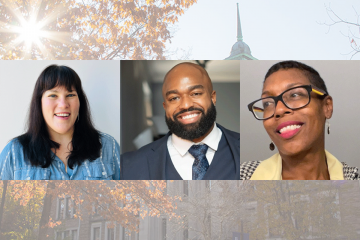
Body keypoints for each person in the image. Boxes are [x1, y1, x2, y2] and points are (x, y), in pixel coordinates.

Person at [241, 60, 359, 180]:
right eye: (267, 103)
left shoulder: (353, 179)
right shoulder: (243, 176)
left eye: (295, 95)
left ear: (327, 107)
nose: (279, 110)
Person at [121, 62, 240, 180]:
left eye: (196, 93)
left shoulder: (247, 150)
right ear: (165, 106)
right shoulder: (128, 166)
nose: (186, 105)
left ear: (212, 97)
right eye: (174, 98)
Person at [0, 65, 120, 180]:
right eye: (53, 95)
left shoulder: (109, 146)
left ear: (80, 102)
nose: (63, 104)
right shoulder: (14, 152)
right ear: (39, 103)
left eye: (70, 95)